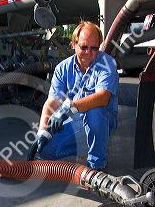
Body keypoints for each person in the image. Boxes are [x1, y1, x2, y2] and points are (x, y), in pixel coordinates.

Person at [28, 21, 119, 170]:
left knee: (95, 112)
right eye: (83, 47)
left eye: (94, 48)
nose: (89, 53)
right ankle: (86, 145)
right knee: (44, 150)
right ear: (73, 44)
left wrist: (70, 107)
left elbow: (103, 97)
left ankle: (97, 165)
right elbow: (52, 102)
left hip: (104, 121)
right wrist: (42, 131)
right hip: (76, 121)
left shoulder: (107, 64)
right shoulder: (62, 68)